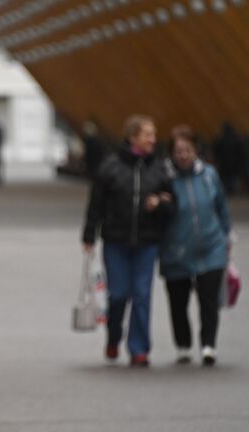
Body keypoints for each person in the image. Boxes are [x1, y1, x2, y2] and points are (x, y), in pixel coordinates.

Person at [82, 114, 174, 367]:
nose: (153, 139)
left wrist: (161, 202)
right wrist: (89, 235)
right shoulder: (111, 167)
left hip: (147, 242)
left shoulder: (160, 168)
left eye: (154, 135)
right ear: (133, 137)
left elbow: (172, 200)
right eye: (148, 134)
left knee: (142, 295)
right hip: (116, 241)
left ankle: (139, 348)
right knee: (119, 294)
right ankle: (113, 337)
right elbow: (96, 204)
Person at [160, 125, 231, 366]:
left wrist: (226, 235)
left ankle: (208, 344)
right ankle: (183, 343)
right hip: (176, 250)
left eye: (187, 150)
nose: (183, 155)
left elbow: (221, 206)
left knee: (208, 300)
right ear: (171, 153)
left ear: (196, 150)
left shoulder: (209, 175)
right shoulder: (164, 179)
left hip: (211, 247)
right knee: (178, 301)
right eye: (178, 151)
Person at [212, 122, 244, 195]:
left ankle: (227, 192)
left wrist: (218, 160)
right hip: (235, 163)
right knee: (233, 178)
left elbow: (216, 151)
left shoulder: (221, 139)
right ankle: (233, 191)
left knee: (225, 178)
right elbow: (241, 152)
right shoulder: (236, 139)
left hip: (224, 163)